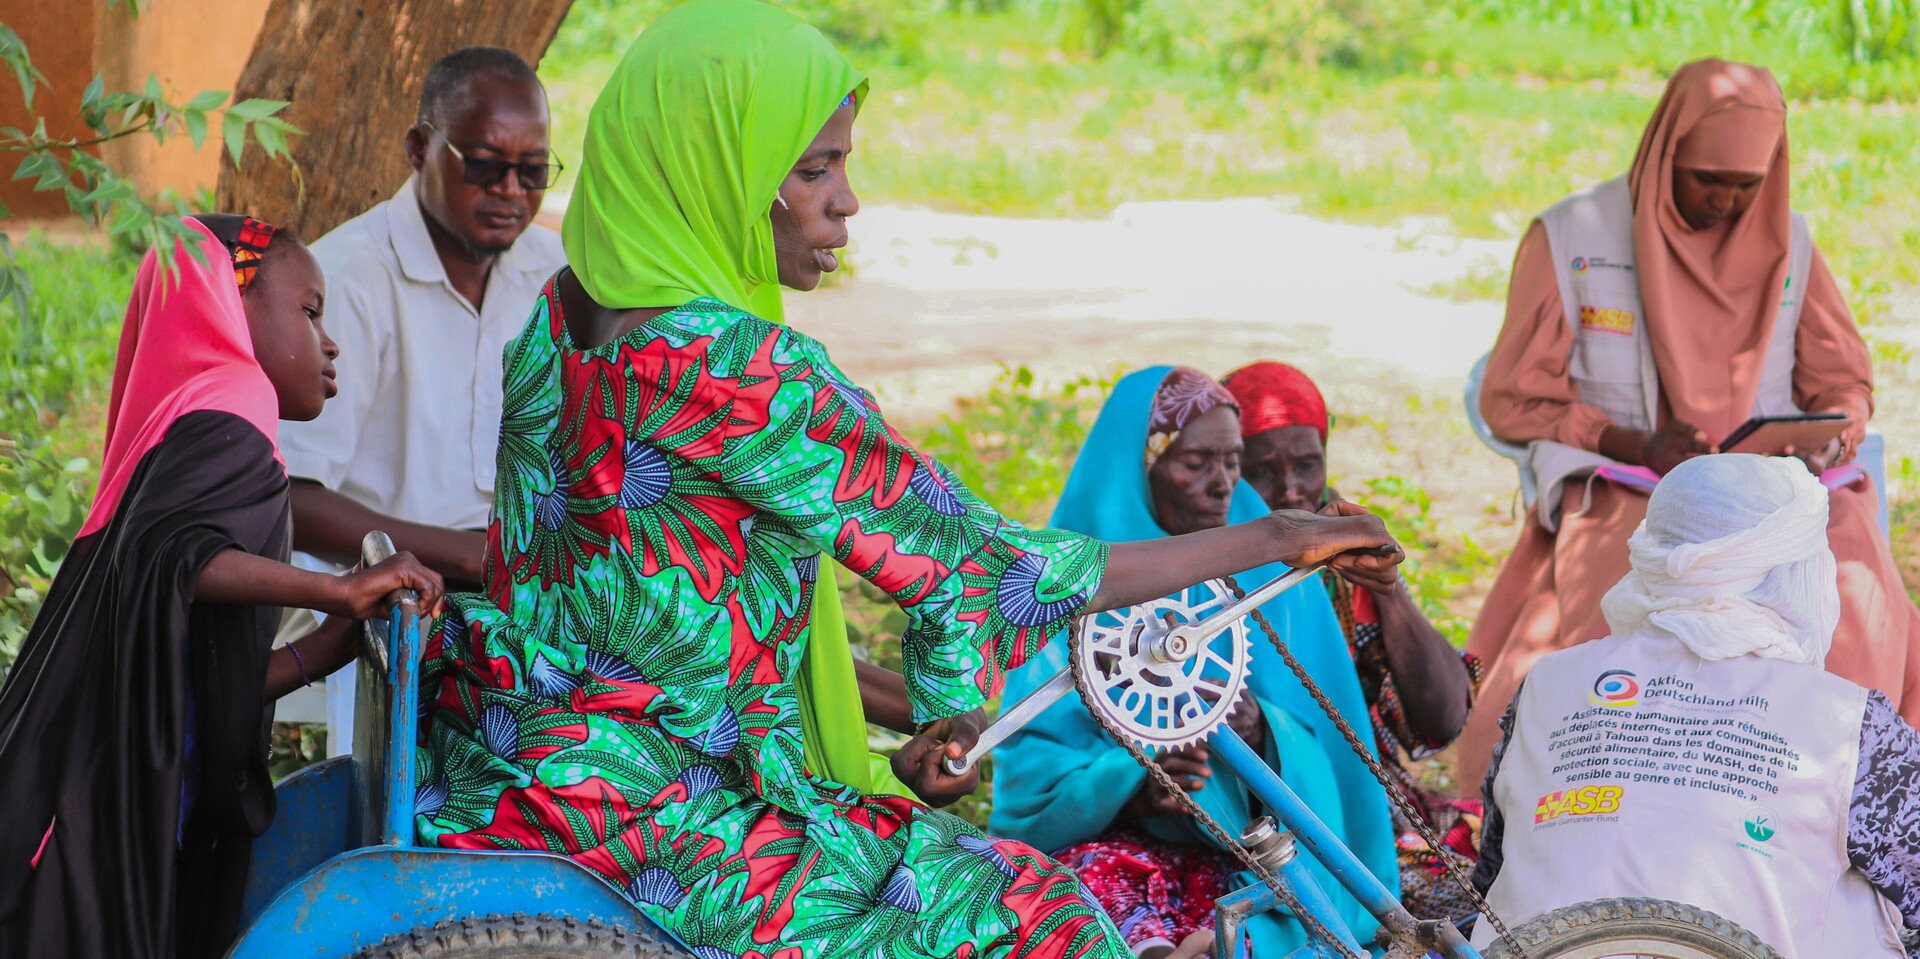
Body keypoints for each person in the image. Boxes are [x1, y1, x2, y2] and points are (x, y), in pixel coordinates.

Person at [413, 3, 1405, 956]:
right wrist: (1275, 538)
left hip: (521, 753)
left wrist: (924, 715)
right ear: (722, 172)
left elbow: (651, 605)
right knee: (1035, 909)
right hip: (657, 813)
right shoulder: (734, 371)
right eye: (813, 169)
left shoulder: (560, 316)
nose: (846, 200)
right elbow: (987, 562)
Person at [1458, 58, 1920, 789]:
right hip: (1637, 483)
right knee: (1631, 591)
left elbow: (1841, 377)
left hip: (1775, 486)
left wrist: (1837, 425)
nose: (1728, 204)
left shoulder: (1788, 240)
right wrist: (1629, 440)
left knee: (1851, 579)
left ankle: (1834, 781)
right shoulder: (1574, 236)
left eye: (1749, 185)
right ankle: (1623, 781)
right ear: (1665, 153)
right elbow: (1511, 394)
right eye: (1709, 179)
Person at [0, 216, 443, 959]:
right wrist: (338, 591)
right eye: (309, 310)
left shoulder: (186, 422)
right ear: (228, 306)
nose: (328, 341)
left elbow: (178, 666)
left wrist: (320, 653)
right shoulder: (232, 401)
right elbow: (178, 559)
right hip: (78, 813)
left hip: (70, 789)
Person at [990, 366, 1400, 957]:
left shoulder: (1275, 576)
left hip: (1256, 852)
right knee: (1078, 905)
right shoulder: (1068, 583)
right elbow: (1030, 782)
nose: (1223, 484)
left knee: (1265, 913)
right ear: (1142, 466)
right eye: (1196, 462)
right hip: (1113, 850)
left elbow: (1331, 748)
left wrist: (1262, 731)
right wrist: (1134, 786)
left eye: (1233, 461)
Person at [1471, 454, 1919, 955]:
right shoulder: (1852, 724)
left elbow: (1492, 868)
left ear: (1651, 551)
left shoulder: (1548, 681)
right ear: (1797, 569)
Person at [274, 46, 565, 749]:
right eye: (487, 164)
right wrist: (471, 558)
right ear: (418, 147)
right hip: (371, 597)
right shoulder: (347, 278)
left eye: (533, 172)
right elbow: (291, 497)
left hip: (515, 587)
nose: (511, 191)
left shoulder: (556, 275)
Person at [1221, 360, 1483, 920]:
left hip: (1361, 794)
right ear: (1226, 468)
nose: (1291, 489)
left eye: (1307, 465)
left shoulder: (1337, 550)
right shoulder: (1207, 556)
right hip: (1247, 815)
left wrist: (1389, 590)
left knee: (1496, 867)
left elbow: (1441, 720)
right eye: (1261, 471)